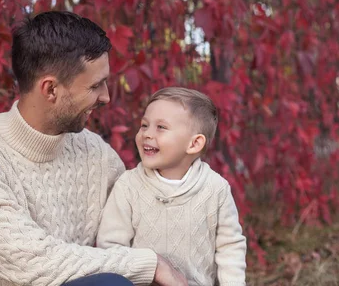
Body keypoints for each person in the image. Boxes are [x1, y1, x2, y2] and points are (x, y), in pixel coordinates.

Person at [0, 11, 188, 286]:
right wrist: (148, 265)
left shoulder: (96, 154)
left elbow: (145, 224)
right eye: (95, 85)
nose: (106, 96)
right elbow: (31, 263)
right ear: (50, 90)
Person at [97, 87, 247, 286]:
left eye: (161, 127)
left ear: (194, 144)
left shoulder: (216, 189)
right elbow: (110, 247)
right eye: (144, 125)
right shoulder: (128, 186)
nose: (147, 134)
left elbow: (230, 247)